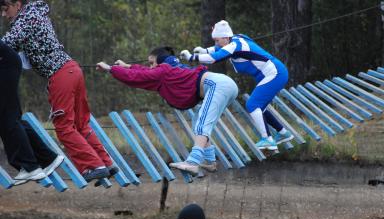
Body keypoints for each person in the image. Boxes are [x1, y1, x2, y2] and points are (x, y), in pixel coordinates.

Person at [0, 0, 117, 182]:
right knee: (81, 125)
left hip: (60, 75)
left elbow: (6, 44)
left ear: (18, 3)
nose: (4, 15)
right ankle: (107, 163)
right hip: (72, 70)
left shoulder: (26, 18)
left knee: (63, 127)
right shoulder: (36, 14)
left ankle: (93, 166)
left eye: (6, 9)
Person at [96, 46, 239, 176]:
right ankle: (209, 161)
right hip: (225, 85)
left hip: (217, 85)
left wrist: (110, 69)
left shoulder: (163, 71)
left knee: (203, 123)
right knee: (198, 121)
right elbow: (147, 71)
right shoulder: (170, 67)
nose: (150, 66)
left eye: (152, 62)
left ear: (161, 61)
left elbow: (138, 76)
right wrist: (128, 66)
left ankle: (193, 162)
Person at [180, 20, 294, 151]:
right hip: (275, 73)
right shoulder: (234, 40)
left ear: (225, 37)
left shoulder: (234, 45)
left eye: (217, 40)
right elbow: (218, 48)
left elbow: (214, 57)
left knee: (252, 104)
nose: (216, 43)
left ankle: (267, 139)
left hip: (275, 74)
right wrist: (204, 50)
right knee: (259, 107)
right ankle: (283, 133)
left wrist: (192, 58)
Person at [0, 39, 64, 185]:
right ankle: (47, 158)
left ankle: (30, 166)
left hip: (4, 63)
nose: (3, 14)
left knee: (7, 117)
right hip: (7, 62)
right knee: (11, 116)